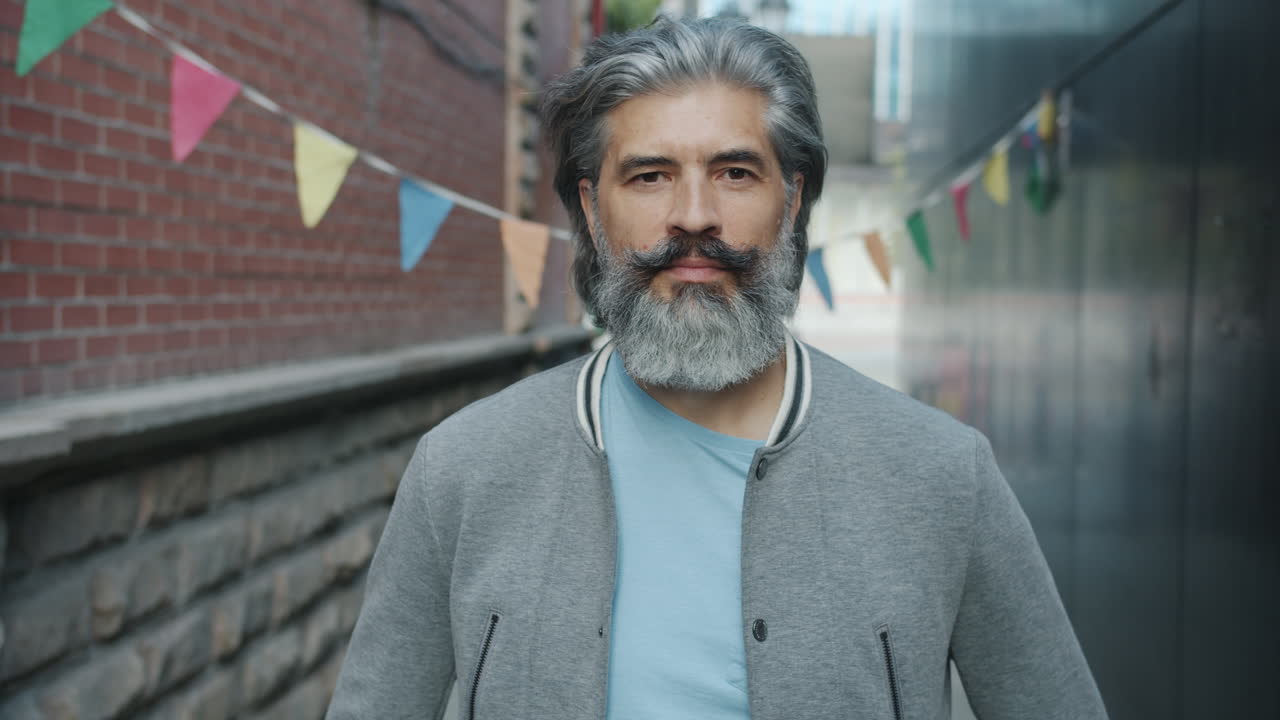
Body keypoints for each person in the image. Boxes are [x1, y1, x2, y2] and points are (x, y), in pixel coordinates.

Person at [326, 16, 1107, 720]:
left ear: (792, 202)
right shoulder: (463, 470)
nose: (693, 215)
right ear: (593, 213)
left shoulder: (942, 476)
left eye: (735, 172)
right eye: (650, 175)